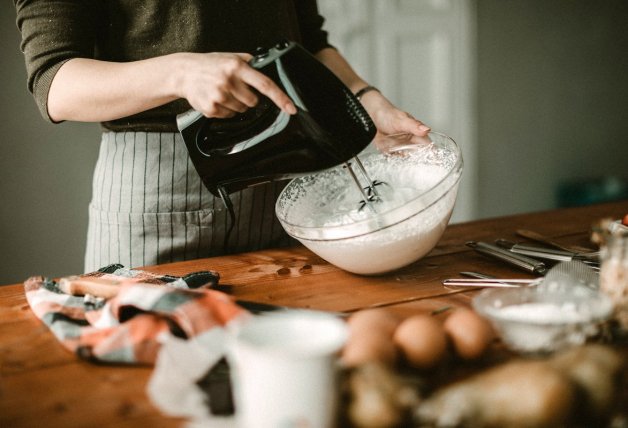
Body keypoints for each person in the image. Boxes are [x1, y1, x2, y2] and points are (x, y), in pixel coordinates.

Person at [14, 0, 430, 272]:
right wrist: (181, 73)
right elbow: (55, 83)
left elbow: (311, 41)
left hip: (291, 181)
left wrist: (365, 99)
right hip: (157, 192)